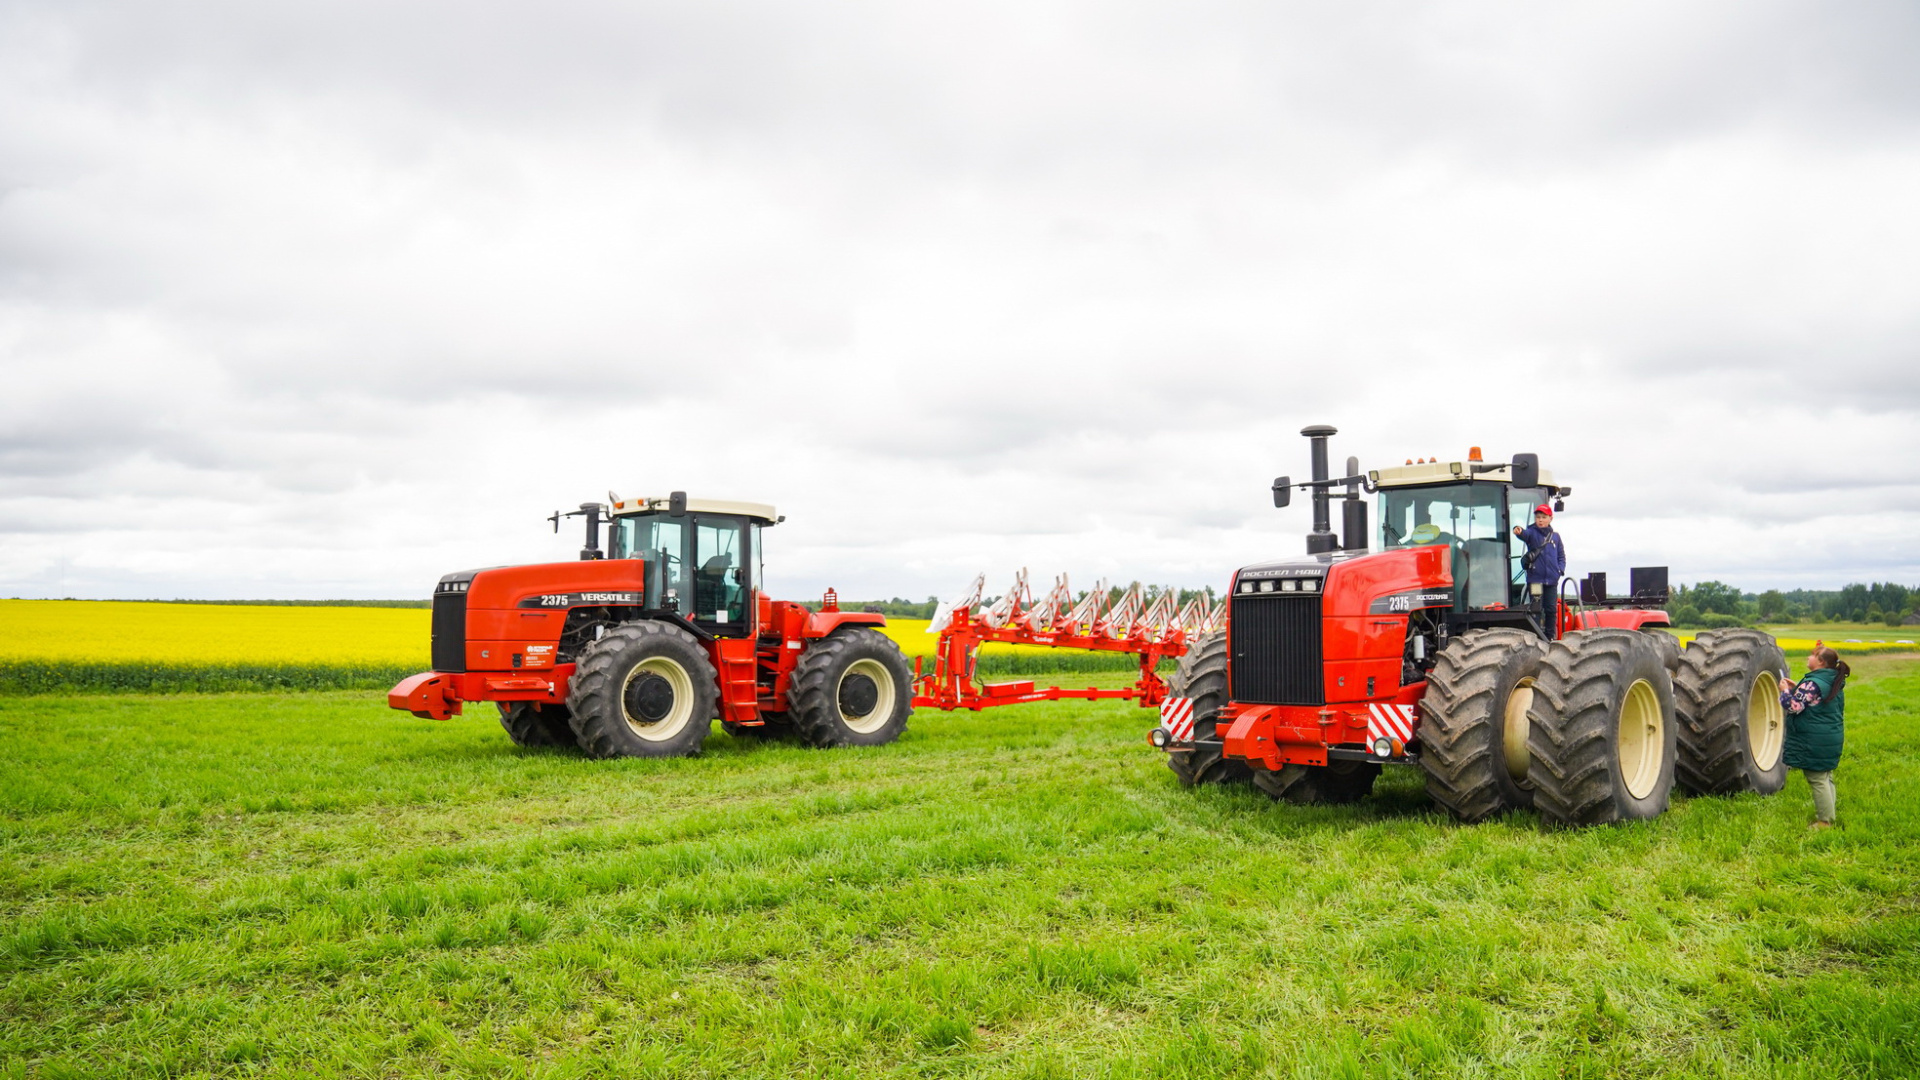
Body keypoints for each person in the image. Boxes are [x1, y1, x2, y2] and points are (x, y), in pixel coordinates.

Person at [1780, 642, 1849, 829]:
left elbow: (1793, 708)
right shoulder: (1831, 680)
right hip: (1830, 736)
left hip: (1815, 739)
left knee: (1817, 779)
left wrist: (1785, 692)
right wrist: (1797, 690)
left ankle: (1824, 822)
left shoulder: (1812, 683)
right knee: (1826, 776)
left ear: (1820, 661)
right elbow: (1813, 701)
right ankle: (1830, 816)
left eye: (1811, 655)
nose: (1807, 658)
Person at [1512, 504, 1565, 634]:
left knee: (1551, 609)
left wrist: (1560, 570)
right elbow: (1524, 534)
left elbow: (1561, 555)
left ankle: (1550, 636)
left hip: (1552, 580)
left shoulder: (1556, 537)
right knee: (1536, 609)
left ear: (1550, 519)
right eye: (1538, 517)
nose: (1540, 520)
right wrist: (1518, 530)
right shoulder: (1532, 533)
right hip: (1535, 579)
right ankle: (1536, 636)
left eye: (1543, 517)